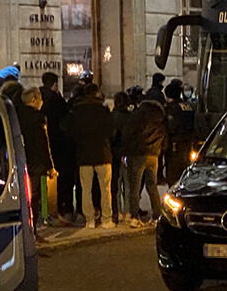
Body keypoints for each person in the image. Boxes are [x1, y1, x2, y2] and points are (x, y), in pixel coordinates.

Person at [61, 83, 114, 228]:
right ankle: (106, 219)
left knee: (86, 189)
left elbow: (68, 130)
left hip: (84, 154)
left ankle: (89, 219)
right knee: (105, 188)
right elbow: (112, 131)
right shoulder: (103, 110)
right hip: (102, 154)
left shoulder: (77, 111)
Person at [122, 98, 167, 226]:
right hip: (153, 156)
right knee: (152, 187)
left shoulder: (135, 119)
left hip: (137, 155)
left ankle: (135, 217)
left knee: (134, 188)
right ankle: (157, 215)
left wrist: (126, 152)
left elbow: (126, 135)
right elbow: (165, 140)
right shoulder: (159, 121)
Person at [18, 87, 56, 235]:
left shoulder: (17, 116)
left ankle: (27, 230)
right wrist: (50, 166)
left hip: (22, 161)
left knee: (26, 198)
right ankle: (33, 231)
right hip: (36, 163)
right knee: (35, 197)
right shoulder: (38, 118)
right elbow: (42, 144)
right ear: (34, 100)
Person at [40, 72, 74, 223]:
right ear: (54, 84)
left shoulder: (38, 98)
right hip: (59, 146)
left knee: (41, 183)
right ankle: (60, 209)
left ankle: (44, 212)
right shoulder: (56, 100)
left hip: (42, 148)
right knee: (62, 179)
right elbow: (65, 120)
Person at [164, 80, 196, 183]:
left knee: (173, 175)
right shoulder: (188, 106)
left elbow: (171, 127)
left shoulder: (172, 108)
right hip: (188, 143)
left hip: (176, 146)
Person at [110, 91, 132, 224]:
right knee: (128, 185)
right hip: (129, 153)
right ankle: (128, 212)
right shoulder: (131, 117)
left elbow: (111, 136)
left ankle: (117, 211)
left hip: (115, 153)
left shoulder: (113, 116)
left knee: (116, 185)